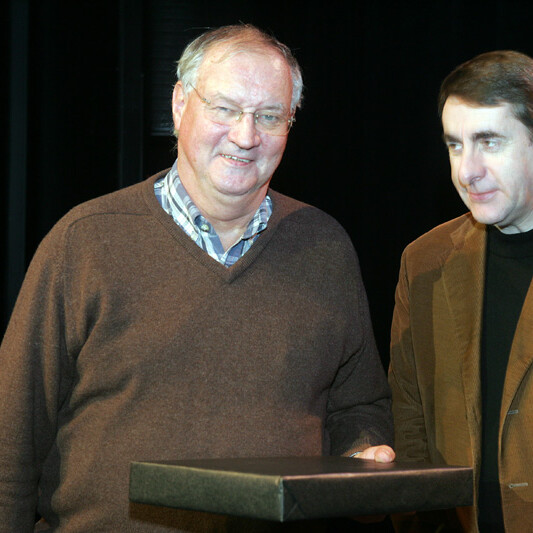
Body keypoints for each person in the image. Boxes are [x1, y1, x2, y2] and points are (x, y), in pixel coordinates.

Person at [0, 24, 394, 532]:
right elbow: (13, 433)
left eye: (269, 116)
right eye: (225, 109)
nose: (246, 136)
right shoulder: (87, 242)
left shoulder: (325, 248)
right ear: (180, 104)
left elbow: (360, 406)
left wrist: (364, 450)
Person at [389, 50, 533, 532]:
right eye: (455, 145)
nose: (467, 170)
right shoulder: (425, 261)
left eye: (489, 142)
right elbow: (408, 416)